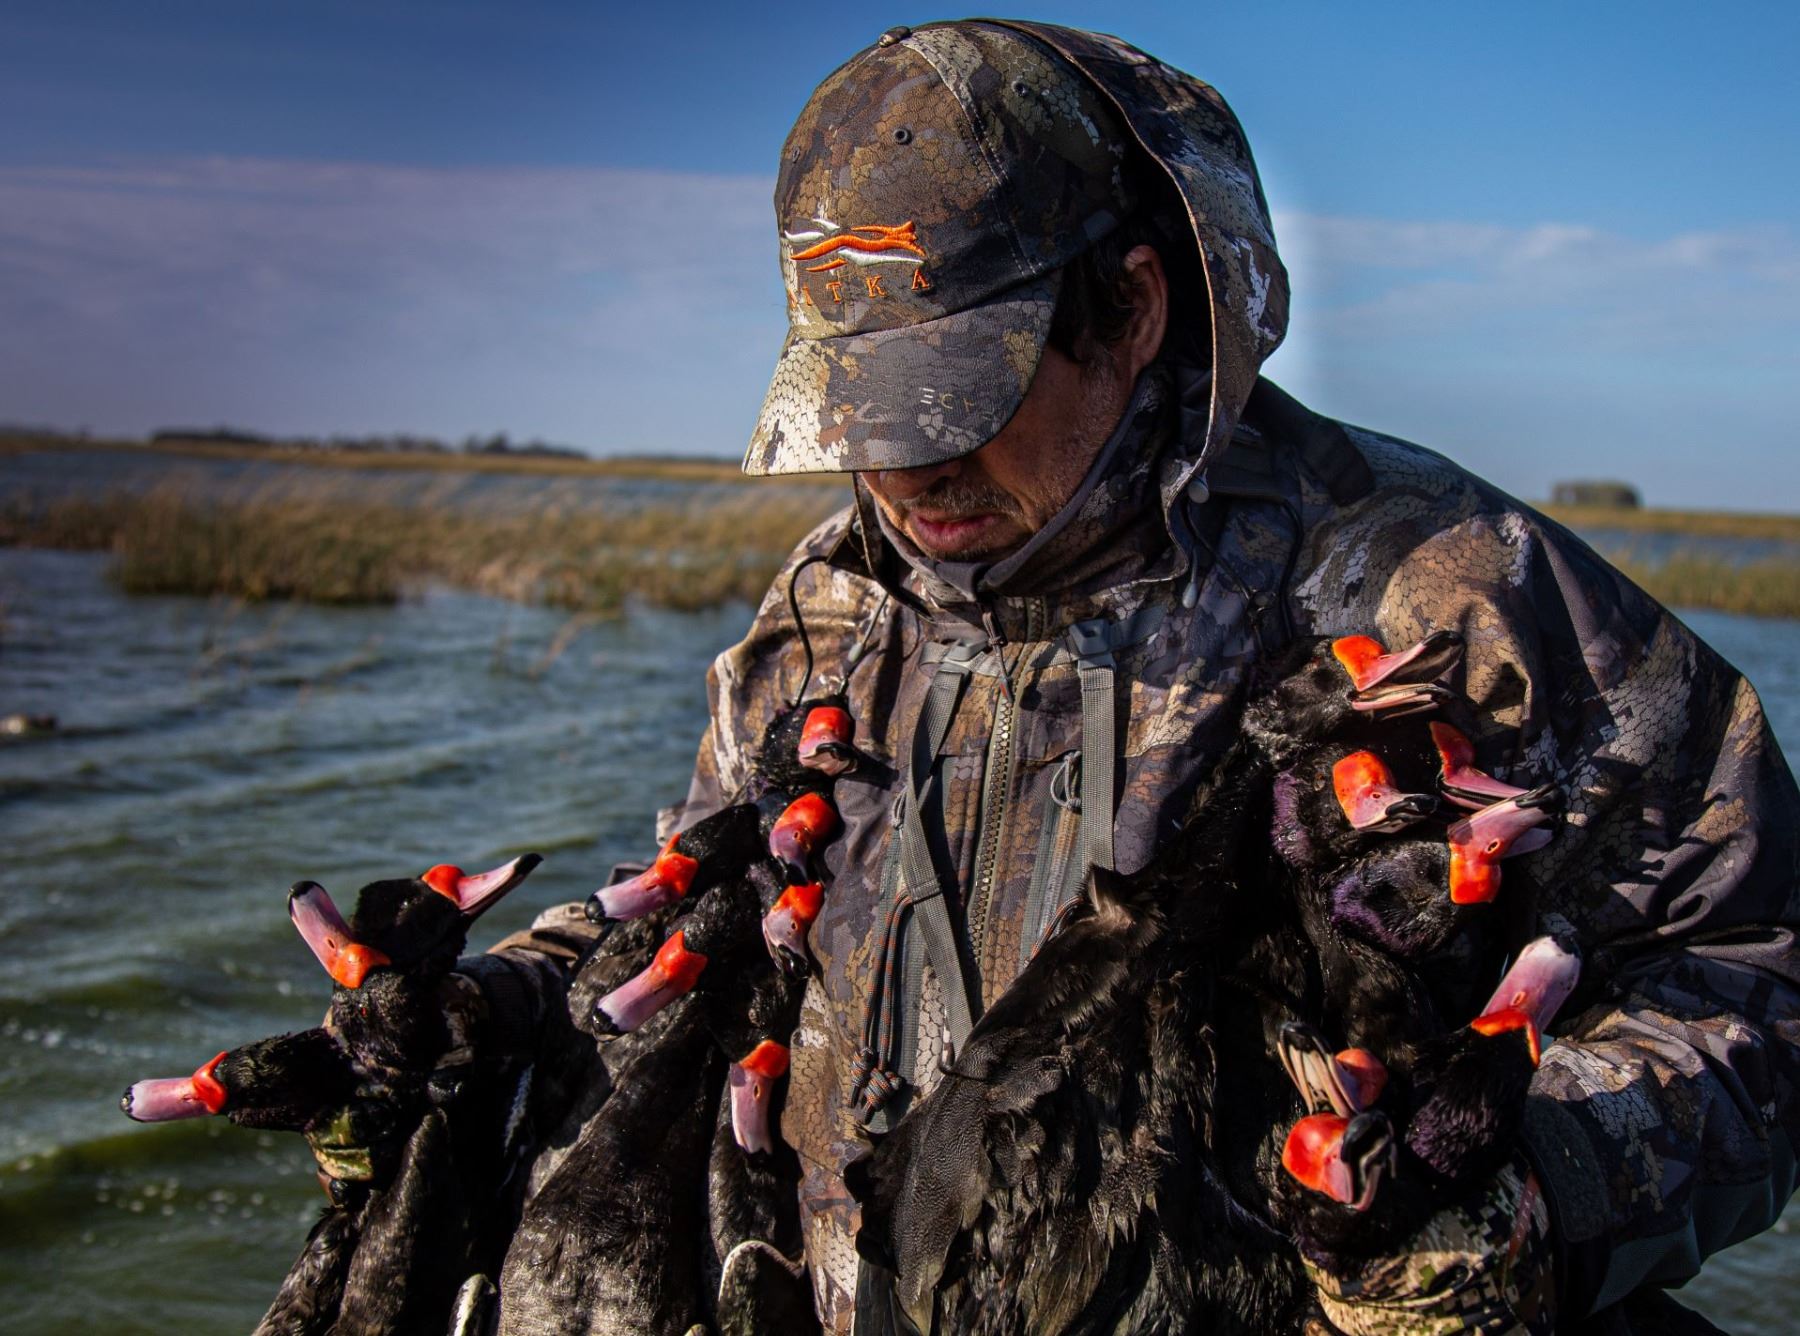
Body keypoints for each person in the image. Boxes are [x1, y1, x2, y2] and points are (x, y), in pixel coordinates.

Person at [310, 19, 1800, 1334]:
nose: (906, 468)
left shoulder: (1446, 597)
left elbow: (1755, 973)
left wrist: (1516, 1183)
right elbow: (713, 910)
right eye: (864, 409)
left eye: (958, 397)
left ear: (1134, 308)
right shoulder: (827, 612)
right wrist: (493, 1015)